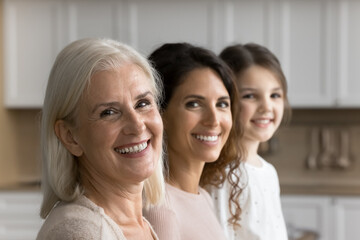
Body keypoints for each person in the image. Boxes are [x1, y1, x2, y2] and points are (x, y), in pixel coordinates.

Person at [36, 38, 165, 240]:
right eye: (109, 112)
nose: (137, 125)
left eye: (142, 103)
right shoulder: (83, 233)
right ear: (70, 137)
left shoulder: (136, 225)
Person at [143, 43, 244, 240]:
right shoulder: (159, 210)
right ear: (159, 114)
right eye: (194, 104)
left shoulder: (203, 197)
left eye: (222, 104)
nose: (214, 119)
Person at [210, 43, 292, 240]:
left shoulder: (268, 172)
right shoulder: (223, 175)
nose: (266, 106)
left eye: (275, 95)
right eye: (250, 96)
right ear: (225, 101)